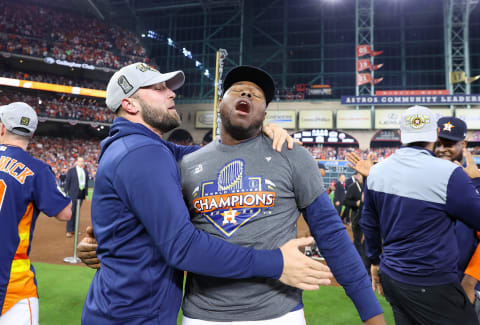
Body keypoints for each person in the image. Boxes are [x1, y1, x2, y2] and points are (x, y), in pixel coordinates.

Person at [81, 62, 332, 325]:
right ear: (130, 105)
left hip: (120, 310)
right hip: (129, 317)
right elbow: (183, 246)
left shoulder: (147, 148)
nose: (171, 93)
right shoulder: (143, 153)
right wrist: (276, 262)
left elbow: (215, 153)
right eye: (158, 88)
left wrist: (260, 131)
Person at [361, 105, 480, 324]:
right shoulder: (450, 173)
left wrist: (375, 262)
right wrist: (475, 182)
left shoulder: (377, 171)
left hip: (392, 276)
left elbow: (369, 224)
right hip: (432, 280)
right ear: (435, 134)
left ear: (400, 135)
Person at [0, 102, 72, 325]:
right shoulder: (37, 168)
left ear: (2, 128)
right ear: (31, 134)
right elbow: (65, 213)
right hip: (13, 278)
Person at [435, 116, 480, 319]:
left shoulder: (474, 181)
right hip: (429, 281)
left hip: (464, 281)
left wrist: (470, 281)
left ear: (463, 144)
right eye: (438, 144)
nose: (442, 149)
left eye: (449, 144)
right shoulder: (426, 178)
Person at [64, 157, 88, 237]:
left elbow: (86, 184)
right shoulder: (71, 171)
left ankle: (75, 230)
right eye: (80, 161)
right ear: (76, 162)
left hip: (81, 194)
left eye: (82, 161)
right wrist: (65, 193)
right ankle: (69, 230)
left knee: (77, 213)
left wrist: (86, 194)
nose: (81, 162)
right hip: (73, 194)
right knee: (71, 212)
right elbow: (67, 182)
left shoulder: (85, 171)